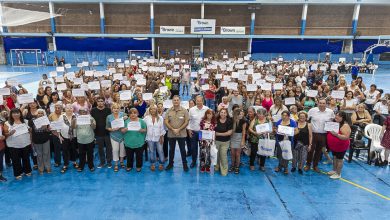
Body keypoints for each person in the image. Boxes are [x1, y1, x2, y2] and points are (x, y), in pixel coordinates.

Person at [305, 98, 335, 173]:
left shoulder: (330, 112)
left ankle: (315, 165)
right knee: (310, 150)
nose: (322, 104)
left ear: (326, 104)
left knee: (319, 151)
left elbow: (333, 122)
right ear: (317, 103)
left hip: (324, 134)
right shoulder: (312, 110)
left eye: (323, 103)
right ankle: (308, 164)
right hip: (313, 134)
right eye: (320, 103)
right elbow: (307, 119)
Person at [3, 108, 32, 180]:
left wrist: (30, 131)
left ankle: (27, 170)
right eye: (14, 113)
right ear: (11, 114)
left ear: (20, 113)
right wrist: (9, 133)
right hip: (13, 145)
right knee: (16, 160)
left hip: (25, 143)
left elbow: (30, 131)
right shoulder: (7, 123)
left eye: (17, 113)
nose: (16, 114)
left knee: (26, 158)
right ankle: (18, 173)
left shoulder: (25, 121)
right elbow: (5, 134)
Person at [164, 95, 189, 171]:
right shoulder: (168, 111)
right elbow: (166, 121)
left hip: (182, 134)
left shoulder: (184, 110)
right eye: (174, 100)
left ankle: (185, 164)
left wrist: (178, 129)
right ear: (172, 101)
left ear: (180, 101)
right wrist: (172, 129)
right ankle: (170, 163)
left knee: (183, 150)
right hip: (171, 134)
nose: (176, 101)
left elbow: (186, 121)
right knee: (171, 150)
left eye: (177, 100)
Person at [327, 111, 351, 179]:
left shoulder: (345, 125)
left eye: (339, 116)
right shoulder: (335, 123)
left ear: (343, 118)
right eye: (336, 115)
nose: (336, 116)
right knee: (334, 157)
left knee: (339, 159)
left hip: (341, 146)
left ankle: (338, 173)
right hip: (334, 146)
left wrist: (337, 135)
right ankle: (334, 170)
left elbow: (346, 137)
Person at [91, 97, 112, 169]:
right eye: (98, 101)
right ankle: (102, 162)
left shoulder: (108, 110)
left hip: (108, 133)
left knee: (109, 149)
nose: (100, 102)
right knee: (100, 149)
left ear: (104, 102)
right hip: (98, 133)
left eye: (101, 101)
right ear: (96, 102)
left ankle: (109, 162)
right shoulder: (93, 110)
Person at [72, 107, 96, 172]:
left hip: (90, 139)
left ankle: (91, 166)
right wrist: (73, 121)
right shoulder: (77, 119)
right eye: (82, 111)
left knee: (90, 153)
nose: (84, 113)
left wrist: (91, 123)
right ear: (79, 113)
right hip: (80, 139)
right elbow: (73, 127)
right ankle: (81, 166)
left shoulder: (91, 118)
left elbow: (94, 127)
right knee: (81, 154)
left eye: (85, 111)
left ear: (87, 112)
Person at [187, 95, 209, 168]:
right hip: (193, 132)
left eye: (200, 101)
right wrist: (189, 130)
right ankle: (194, 161)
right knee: (193, 148)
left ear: (203, 101)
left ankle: (202, 163)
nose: (198, 102)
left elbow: (209, 120)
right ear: (195, 101)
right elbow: (188, 121)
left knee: (203, 148)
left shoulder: (207, 109)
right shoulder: (191, 109)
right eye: (197, 101)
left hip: (202, 133)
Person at [29, 109, 51, 175]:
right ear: (36, 114)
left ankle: (48, 167)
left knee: (46, 153)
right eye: (39, 113)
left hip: (45, 139)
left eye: (42, 113)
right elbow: (30, 131)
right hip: (36, 140)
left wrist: (46, 128)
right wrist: (31, 140)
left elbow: (48, 131)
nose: (40, 114)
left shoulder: (46, 120)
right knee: (39, 155)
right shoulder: (32, 120)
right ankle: (40, 168)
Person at [144, 105, 166, 171]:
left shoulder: (160, 118)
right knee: (151, 151)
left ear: (156, 110)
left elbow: (162, 128)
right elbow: (141, 124)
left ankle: (161, 163)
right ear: (149, 110)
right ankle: (152, 163)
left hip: (158, 137)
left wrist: (162, 137)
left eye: (154, 109)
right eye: (151, 109)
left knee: (160, 151)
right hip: (149, 138)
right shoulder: (146, 118)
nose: (152, 110)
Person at [106, 103, 126, 172]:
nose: (116, 109)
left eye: (117, 108)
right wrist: (112, 129)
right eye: (114, 108)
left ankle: (122, 161)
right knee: (115, 150)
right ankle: (116, 164)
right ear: (112, 109)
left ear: (119, 109)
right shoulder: (109, 117)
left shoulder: (123, 115)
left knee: (122, 149)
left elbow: (127, 121)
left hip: (122, 135)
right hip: (114, 135)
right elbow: (107, 127)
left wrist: (126, 118)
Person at [214, 108, 233, 176]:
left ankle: (224, 170)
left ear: (227, 114)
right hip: (216, 141)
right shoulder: (216, 121)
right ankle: (216, 167)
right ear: (219, 113)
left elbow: (229, 133)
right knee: (216, 155)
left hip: (225, 142)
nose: (223, 114)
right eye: (221, 112)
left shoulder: (229, 121)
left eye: (224, 112)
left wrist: (218, 134)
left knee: (223, 156)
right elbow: (213, 131)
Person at [59, 104, 78, 173]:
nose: (69, 109)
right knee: (65, 151)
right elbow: (58, 127)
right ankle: (65, 164)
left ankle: (74, 162)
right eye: (67, 108)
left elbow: (78, 126)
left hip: (74, 136)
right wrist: (59, 136)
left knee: (73, 150)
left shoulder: (76, 116)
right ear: (65, 109)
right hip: (64, 137)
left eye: (71, 108)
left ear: (73, 109)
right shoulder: (61, 116)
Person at [229, 108, 247, 174]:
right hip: (232, 137)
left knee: (238, 154)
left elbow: (244, 131)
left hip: (239, 137)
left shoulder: (243, 121)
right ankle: (232, 165)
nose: (241, 115)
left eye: (241, 114)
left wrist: (243, 140)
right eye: (239, 114)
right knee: (232, 153)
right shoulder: (231, 120)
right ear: (236, 114)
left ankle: (237, 166)